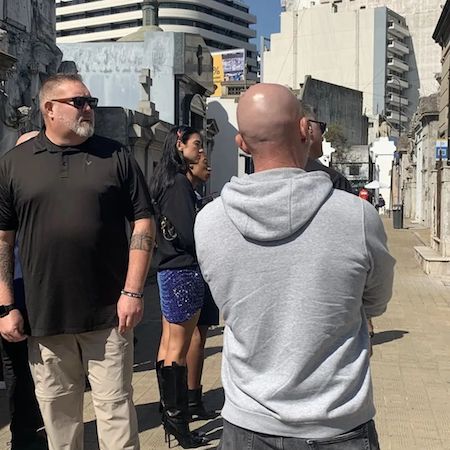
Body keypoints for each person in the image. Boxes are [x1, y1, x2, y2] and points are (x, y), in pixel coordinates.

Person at [194, 83, 395, 449]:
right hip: (338, 425)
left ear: (241, 144)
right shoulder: (359, 218)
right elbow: (377, 301)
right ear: (305, 130)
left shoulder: (209, 222)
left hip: (247, 425)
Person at [0, 73, 155, 450]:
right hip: (45, 315)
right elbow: (2, 238)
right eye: (79, 102)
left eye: (92, 102)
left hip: (109, 314)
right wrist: (5, 304)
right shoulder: (15, 163)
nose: (89, 109)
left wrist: (133, 291)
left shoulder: (115, 155)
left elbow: (143, 219)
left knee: (116, 412)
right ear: (49, 109)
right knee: (59, 419)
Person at [150, 125, 209, 448]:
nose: (201, 152)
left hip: (169, 270)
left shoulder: (166, 183)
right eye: (196, 145)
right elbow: (188, 233)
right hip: (184, 270)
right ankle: (177, 420)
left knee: (168, 344)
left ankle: (171, 415)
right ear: (179, 146)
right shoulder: (179, 186)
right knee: (178, 349)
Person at [0, 131, 48, 450]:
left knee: (39, 371)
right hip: (12, 296)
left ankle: (31, 431)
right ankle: (24, 435)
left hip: (39, 295)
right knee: (18, 371)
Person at [186, 153, 219, 421]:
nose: (207, 165)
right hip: (190, 272)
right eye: (201, 157)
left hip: (203, 272)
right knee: (194, 337)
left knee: (201, 334)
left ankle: (192, 396)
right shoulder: (180, 193)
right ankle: (189, 398)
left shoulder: (196, 195)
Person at [303, 104, 353, 193]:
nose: (323, 137)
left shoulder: (272, 176)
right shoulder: (333, 182)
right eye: (321, 127)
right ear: (308, 128)